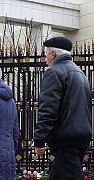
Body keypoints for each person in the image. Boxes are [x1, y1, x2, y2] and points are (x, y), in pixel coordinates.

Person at [34, 37, 92, 180]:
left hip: (65, 138)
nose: (45, 58)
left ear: (53, 54)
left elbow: (48, 109)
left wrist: (40, 139)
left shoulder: (53, 72)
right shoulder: (80, 74)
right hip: (81, 135)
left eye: (46, 54)